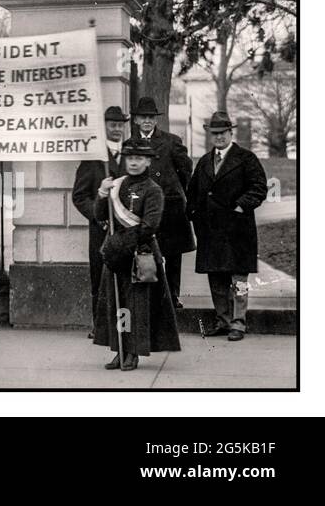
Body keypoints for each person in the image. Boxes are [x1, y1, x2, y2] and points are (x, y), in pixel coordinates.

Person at [92, 138, 182, 371]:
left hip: (139, 254)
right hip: (116, 254)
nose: (133, 163)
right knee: (117, 303)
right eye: (130, 158)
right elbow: (101, 216)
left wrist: (119, 244)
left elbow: (149, 226)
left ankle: (133, 352)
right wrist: (102, 194)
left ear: (148, 161)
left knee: (136, 305)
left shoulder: (153, 190)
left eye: (139, 158)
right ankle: (119, 349)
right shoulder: (117, 185)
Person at [188, 111, 269, 342]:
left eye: (223, 133)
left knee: (238, 280)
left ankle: (238, 323)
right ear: (210, 136)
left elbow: (258, 187)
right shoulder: (204, 162)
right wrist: (194, 215)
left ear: (230, 133)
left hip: (237, 230)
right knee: (216, 279)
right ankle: (223, 321)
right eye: (215, 133)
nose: (219, 137)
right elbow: (193, 193)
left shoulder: (246, 158)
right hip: (211, 231)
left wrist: (241, 207)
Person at [131, 96, 195, 306]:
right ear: (136, 120)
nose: (147, 121)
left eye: (151, 117)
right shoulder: (130, 144)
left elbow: (186, 170)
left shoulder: (171, 141)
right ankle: (150, 295)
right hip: (143, 206)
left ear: (156, 120)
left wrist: (178, 193)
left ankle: (173, 296)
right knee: (146, 250)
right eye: (143, 117)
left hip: (170, 205)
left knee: (173, 254)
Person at [72, 106, 129, 330]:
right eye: (112, 125)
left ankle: (125, 327)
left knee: (125, 278)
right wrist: (98, 215)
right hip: (101, 230)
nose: (117, 129)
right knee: (100, 276)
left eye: (120, 125)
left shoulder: (130, 154)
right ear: (104, 127)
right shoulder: (93, 158)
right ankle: (101, 326)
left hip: (127, 229)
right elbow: (79, 196)